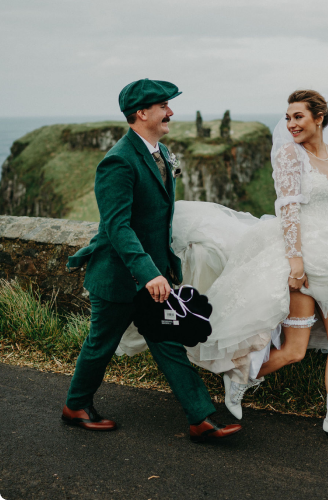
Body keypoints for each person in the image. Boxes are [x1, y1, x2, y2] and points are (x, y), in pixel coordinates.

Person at [118, 90, 328, 450]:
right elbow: (289, 210)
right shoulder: (289, 155)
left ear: (320, 118)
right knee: (295, 349)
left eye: (298, 117)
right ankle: (240, 378)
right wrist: (295, 262)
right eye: (288, 117)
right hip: (305, 261)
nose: (290, 124)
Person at [61, 78, 242, 444]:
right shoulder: (117, 162)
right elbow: (118, 227)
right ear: (142, 113)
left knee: (168, 343)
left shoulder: (159, 152)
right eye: (163, 107)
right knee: (100, 345)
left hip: (153, 275)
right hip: (117, 276)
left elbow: (159, 219)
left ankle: (201, 419)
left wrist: (166, 269)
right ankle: (75, 407)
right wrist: (148, 274)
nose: (170, 113)